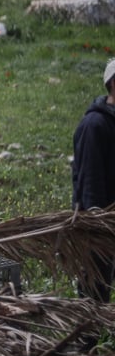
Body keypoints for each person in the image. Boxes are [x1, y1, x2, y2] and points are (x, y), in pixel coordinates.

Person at [71, 58, 115, 302]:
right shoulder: (95, 125)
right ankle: (88, 337)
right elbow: (91, 182)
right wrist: (97, 225)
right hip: (97, 225)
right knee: (94, 295)